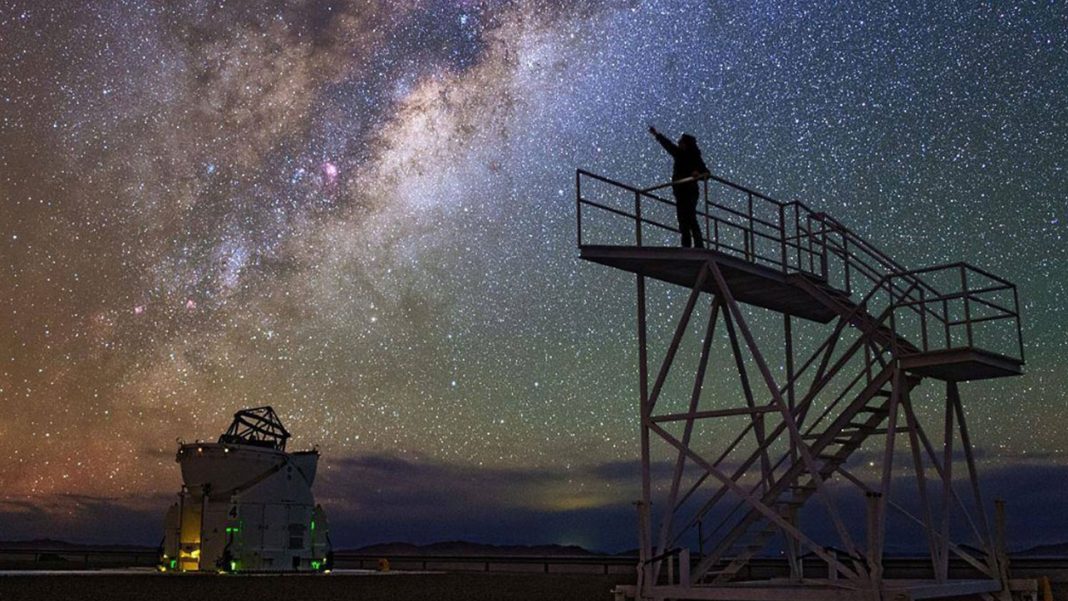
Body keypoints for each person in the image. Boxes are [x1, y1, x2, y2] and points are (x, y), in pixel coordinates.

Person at [649, 126, 709, 248]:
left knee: (690, 218)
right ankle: (686, 245)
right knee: (683, 220)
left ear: (686, 144)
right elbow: (668, 145)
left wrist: (698, 174)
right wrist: (657, 134)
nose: (678, 143)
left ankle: (698, 245)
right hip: (680, 192)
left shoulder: (694, 157)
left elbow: (707, 173)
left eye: (681, 141)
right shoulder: (679, 154)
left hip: (690, 191)